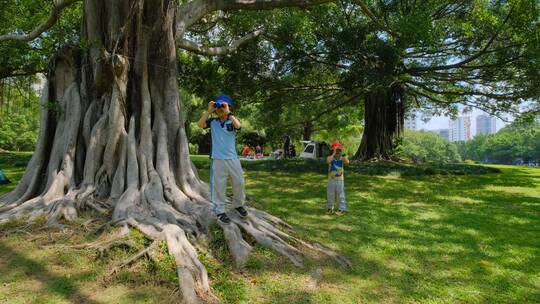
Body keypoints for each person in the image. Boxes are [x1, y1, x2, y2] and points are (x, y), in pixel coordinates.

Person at [197, 94, 248, 224]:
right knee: (219, 186)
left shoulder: (232, 120)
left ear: (229, 107)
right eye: (218, 106)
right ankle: (219, 210)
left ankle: (238, 205)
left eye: (223, 106)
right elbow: (200, 124)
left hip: (233, 158)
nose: (220, 109)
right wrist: (209, 111)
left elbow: (239, 126)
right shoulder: (213, 122)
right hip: (218, 159)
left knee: (239, 182)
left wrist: (228, 113)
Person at [326, 143, 349, 215]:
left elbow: (347, 162)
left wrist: (342, 155)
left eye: (339, 151)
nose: (337, 153)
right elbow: (328, 161)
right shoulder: (330, 157)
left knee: (340, 194)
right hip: (331, 179)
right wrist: (333, 154)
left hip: (340, 180)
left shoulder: (342, 158)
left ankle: (342, 209)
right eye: (336, 151)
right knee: (330, 194)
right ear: (333, 151)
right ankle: (330, 208)